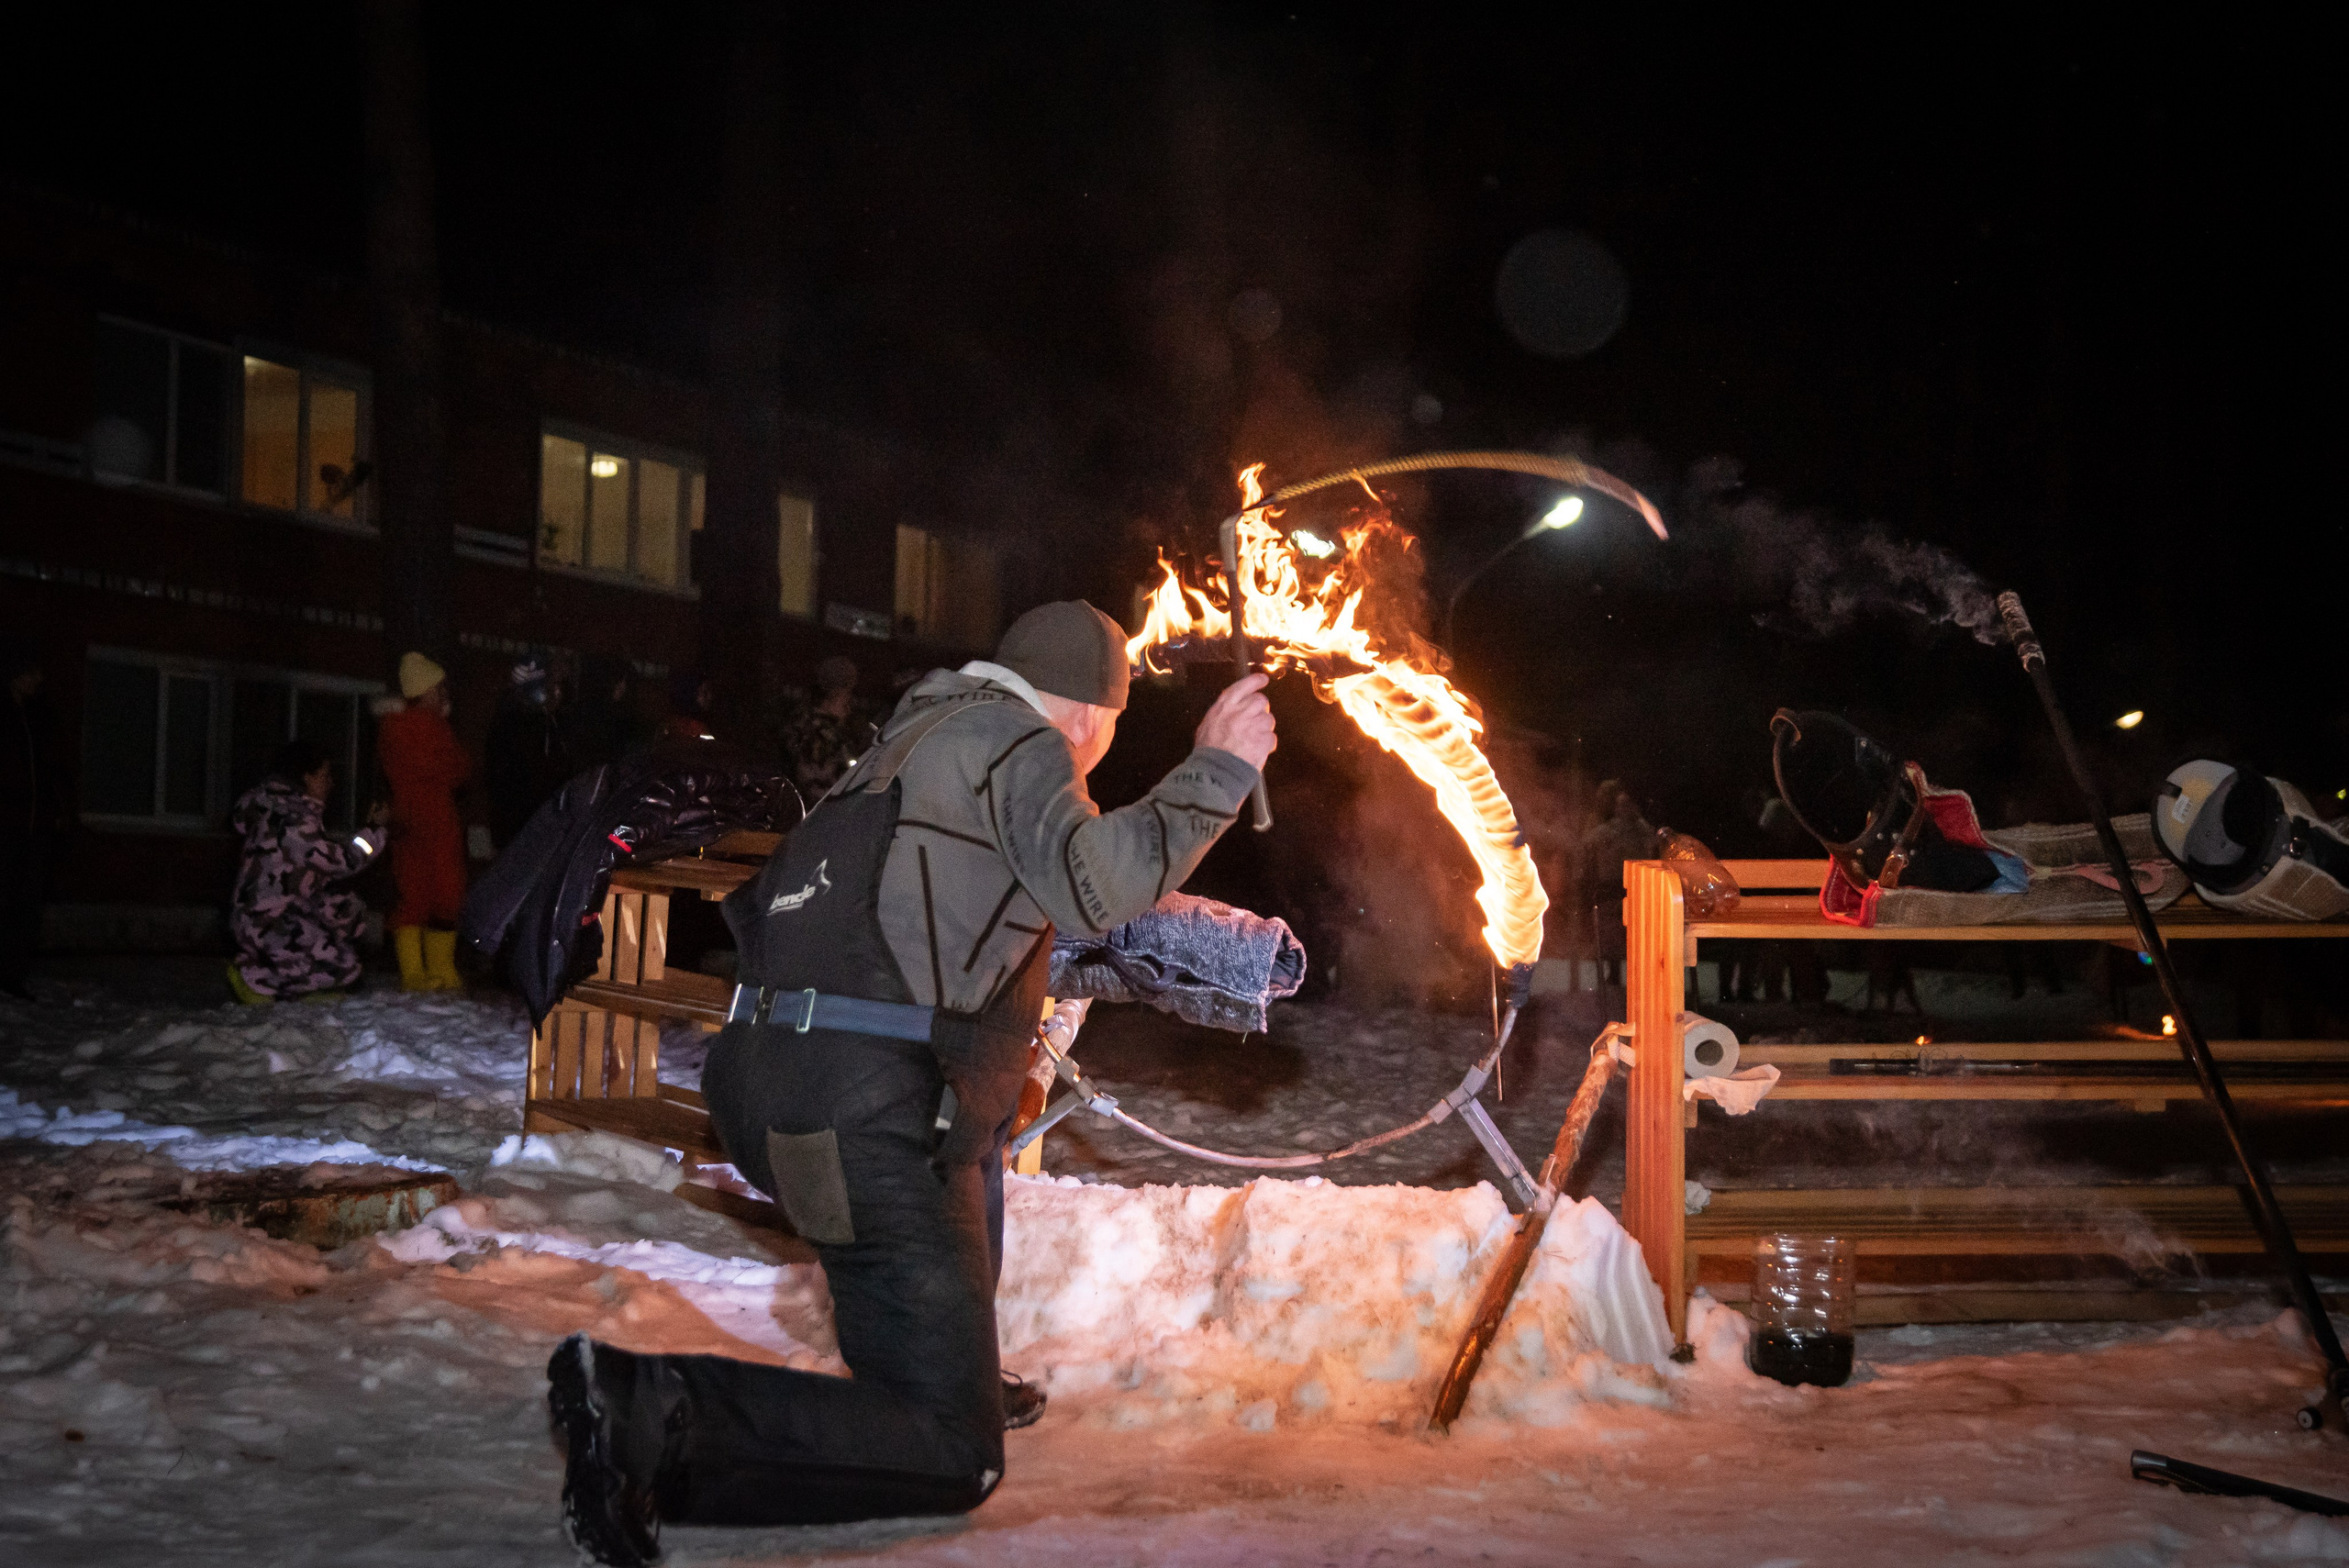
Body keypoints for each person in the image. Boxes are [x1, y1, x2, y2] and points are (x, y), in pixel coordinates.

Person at [545, 601, 1276, 1564]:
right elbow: (1091, 881)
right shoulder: (1020, 741)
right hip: (866, 1104)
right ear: (1087, 716)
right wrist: (1218, 766)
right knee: (953, 1450)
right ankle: (647, 1408)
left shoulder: (907, 743)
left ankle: (954, 1367)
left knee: (967, 1153)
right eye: (1109, 729)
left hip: (779, 1082)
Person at [226, 740, 386, 1003]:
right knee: (342, 966)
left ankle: (288, 976)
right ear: (306, 777)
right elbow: (343, 860)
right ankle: (254, 980)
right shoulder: (294, 822)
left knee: (347, 910)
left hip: (267, 913)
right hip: (268, 922)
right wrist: (373, 830)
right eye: (325, 775)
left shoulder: (269, 808)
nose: (331, 783)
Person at [377, 651, 473, 992]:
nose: (444, 693)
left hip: (408, 817)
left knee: (414, 891)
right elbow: (457, 769)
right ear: (427, 690)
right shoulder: (430, 728)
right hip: (435, 817)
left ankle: (416, 972)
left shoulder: (393, 726)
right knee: (445, 891)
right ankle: (439, 968)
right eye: (439, 688)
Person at [1, 639, 61, 1003]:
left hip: (33, 829)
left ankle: (12, 974)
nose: (38, 679)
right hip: (8, 827)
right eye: (32, 672)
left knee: (25, 903)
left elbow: (50, 770)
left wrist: (54, 814)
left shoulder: (37, 715)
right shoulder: (5, 715)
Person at [484, 656, 574, 851]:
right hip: (524, 829)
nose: (558, 692)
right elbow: (534, 780)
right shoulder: (525, 726)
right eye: (553, 685)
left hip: (524, 827)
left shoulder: (542, 721)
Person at [780, 654, 874, 798]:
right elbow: (822, 785)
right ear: (838, 692)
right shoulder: (821, 733)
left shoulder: (806, 722)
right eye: (847, 693)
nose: (849, 702)